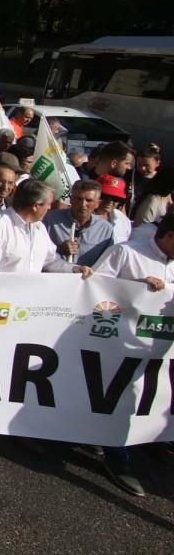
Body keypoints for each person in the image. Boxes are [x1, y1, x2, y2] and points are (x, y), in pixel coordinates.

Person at [90, 212, 174, 497]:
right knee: (117, 399)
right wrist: (135, 288)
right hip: (117, 348)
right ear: (170, 236)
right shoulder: (126, 253)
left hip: (159, 353)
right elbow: (91, 291)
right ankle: (116, 457)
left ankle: (154, 441)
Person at [0, 179, 93, 277]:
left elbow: (50, 260)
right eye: (48, 204)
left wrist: (74, 269)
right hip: (1, 298)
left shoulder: (39, 227)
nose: (50, 208)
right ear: (36, 206)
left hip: (31, 298)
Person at [43, 179, 115, 267]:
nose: (83, 204)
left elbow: (106, 263)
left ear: (97, 203)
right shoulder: (49, 220)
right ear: (71, 199)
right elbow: (36, 253)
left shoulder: (105, 229)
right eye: (79, 199)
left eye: (89, 200)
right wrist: (58, 250)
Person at [96, 175, 133, 244]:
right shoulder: (83, 218)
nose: (110, 201)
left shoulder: (123, 220)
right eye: (105, 196)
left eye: (115, 198)